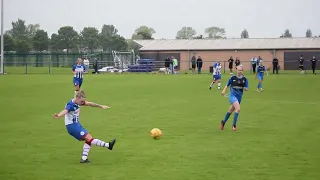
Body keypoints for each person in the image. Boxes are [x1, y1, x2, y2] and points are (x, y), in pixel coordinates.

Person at [53, 90, 116, 163]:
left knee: (88, 139)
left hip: (76, 125)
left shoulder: (79, 102)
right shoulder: (71, 105)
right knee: (89, 138)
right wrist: (58, 115)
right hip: (72, 127)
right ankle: (108, 145)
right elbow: (65, 111)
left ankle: (84, 159)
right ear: (77, 98)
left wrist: (101, 106)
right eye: (82, 101)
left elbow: (90, 104)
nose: (83, 103)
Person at [221, 65, 248, 131]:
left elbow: (246, 88)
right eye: (238, 70)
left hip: (239, 97)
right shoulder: (232, 78)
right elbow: (227, 85)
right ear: (236, 70)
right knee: (238, 109)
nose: (239, 71)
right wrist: (224, 90)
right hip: (232, 96)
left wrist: (245, 88)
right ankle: (234, 125)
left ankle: (223, 122)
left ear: (242, 71)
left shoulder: (245, 79)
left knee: (230, 110)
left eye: (241, 70)